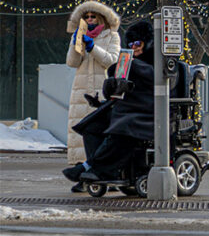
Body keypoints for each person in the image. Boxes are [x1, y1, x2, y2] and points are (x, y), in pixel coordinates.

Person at [63, 20, 157, 184]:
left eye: (138, 43)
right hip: (125, 108)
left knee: (122, 126)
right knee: (92, 126)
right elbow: (113, 88)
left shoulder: (156, 61)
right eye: (131, 43)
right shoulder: (130, 62)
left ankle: (95, 168)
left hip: (147, 113)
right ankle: (94, 168)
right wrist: (111, 84)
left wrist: (131, 66)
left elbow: (152, 77)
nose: (134, 47)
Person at [63, 1, 121, 190]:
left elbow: (111, 61)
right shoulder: (80, 34)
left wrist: (92, 48)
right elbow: (72, 62)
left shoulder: (112, 36)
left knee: (101, 132)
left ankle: (104, 172)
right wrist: (75, 45)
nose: (89, 20)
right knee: (80, 134)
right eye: (86, 17)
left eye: (93, 16)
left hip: (102, 88)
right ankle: (83, 174)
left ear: (101, 17)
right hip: (81, 89)